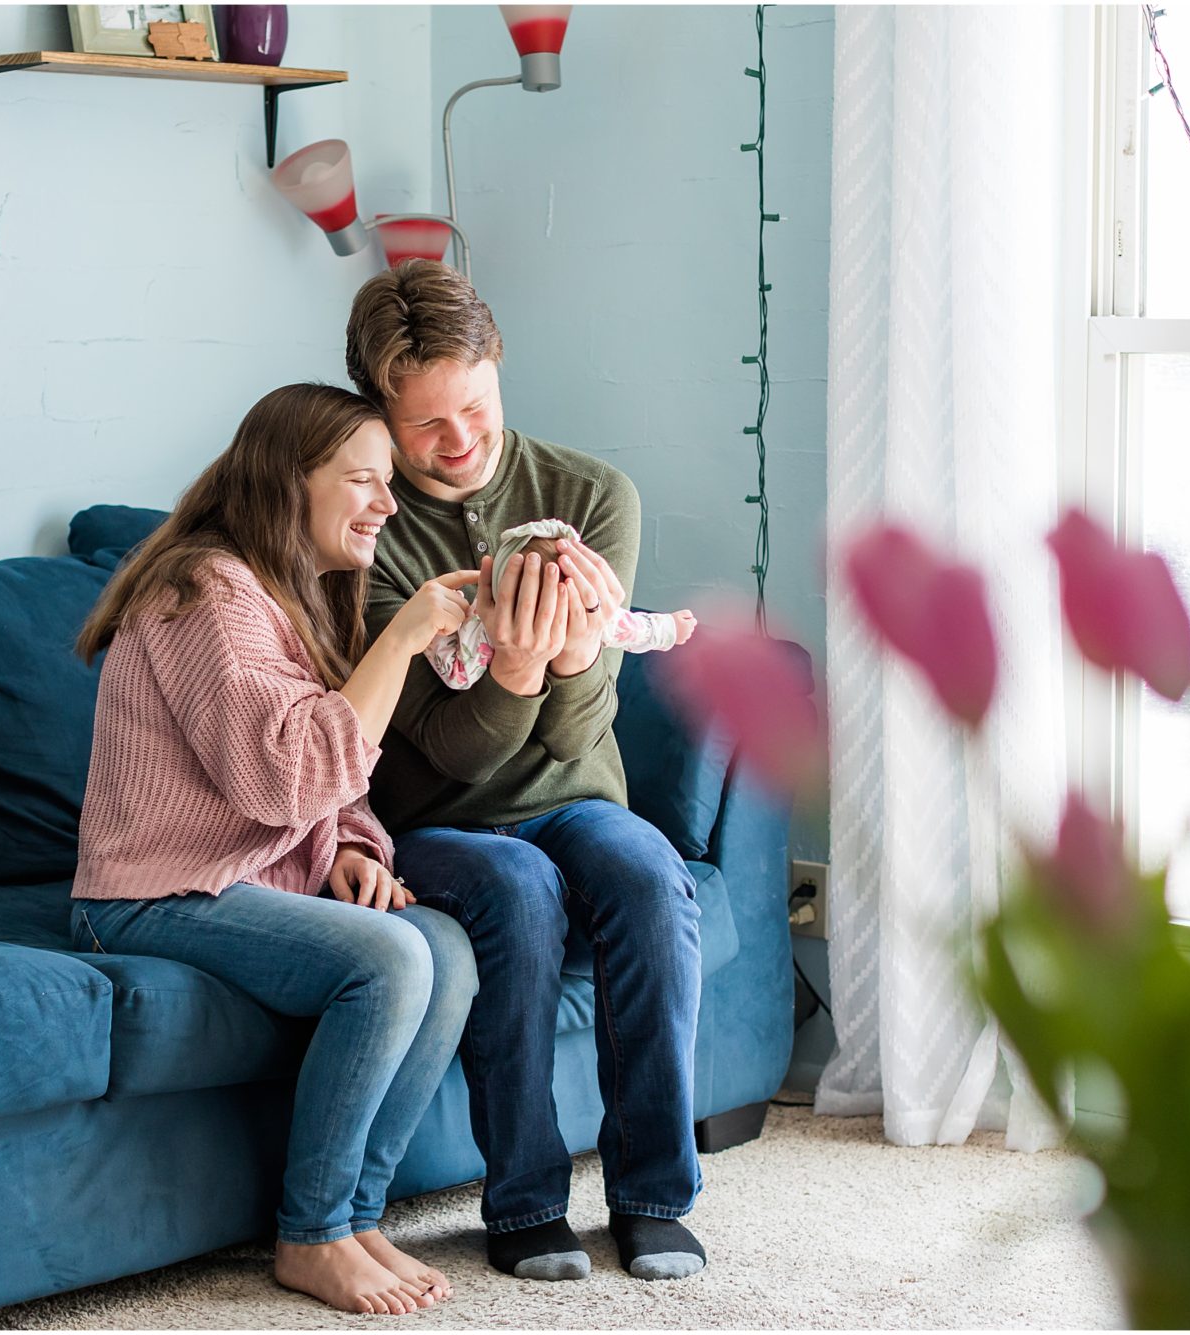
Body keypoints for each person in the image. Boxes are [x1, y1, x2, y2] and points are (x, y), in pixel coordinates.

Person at [70, 382, 483, 1316]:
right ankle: (311, 1233)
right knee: (384, 960)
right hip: (147, 894)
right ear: (286, 483)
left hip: (243, 881)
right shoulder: (205, 588)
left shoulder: (294, 592)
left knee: (445, 949)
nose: (387, 501)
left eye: (388, 482)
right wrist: (406, 636)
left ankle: (355, 1210)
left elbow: (322, 783)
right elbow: (286, 776)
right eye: (363, 480)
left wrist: (349, 845)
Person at [346, 260, 710, 1283]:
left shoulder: (590, 496)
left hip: (574, 798)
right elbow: (450, 755)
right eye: (423, 425)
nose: (458, 442)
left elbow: (574, 736)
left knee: (644, 875)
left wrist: (574, 658)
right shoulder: (363, 536)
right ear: (379, 411)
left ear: (499, 368)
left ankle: (652, 1196)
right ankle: (523, 1204)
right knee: (513, 885)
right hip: (434, 819)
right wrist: (516, 665)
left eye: (474, 406)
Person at [421, 517, 698, 690]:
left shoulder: (589, 618)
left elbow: (458, 674)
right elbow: (635, 629)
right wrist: (669, 629)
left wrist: (438, 632)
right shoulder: (487, 628)